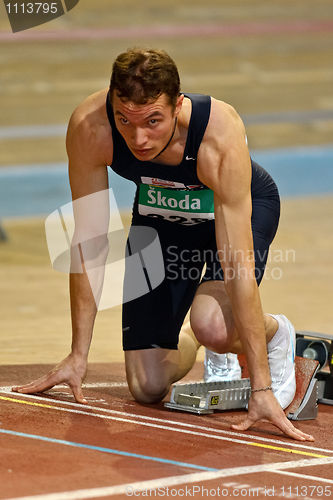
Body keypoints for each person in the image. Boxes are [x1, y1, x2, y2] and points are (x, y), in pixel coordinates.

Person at [13, 48, 313, 441]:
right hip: (160, 213)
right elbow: (89, 242)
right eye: (125, 120)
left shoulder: (217, 134)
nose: (138, 138)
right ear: (112, 104)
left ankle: (275, 334)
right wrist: (77, 354)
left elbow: (238, 267)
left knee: (214, 323)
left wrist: (261, 387)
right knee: (147, 385)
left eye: (153, 121)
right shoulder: (91, 127)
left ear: (177, 105)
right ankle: (209, 340)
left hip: (235, 208)